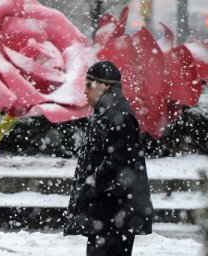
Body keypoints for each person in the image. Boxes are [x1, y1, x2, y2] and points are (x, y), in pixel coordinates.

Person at [64, 61, 153, 256]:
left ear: (104, 86)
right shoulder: (107, 112)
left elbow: (116, 162)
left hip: (114, 213)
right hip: (108, 213)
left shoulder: (118, 115)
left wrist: (88, 188)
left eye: (89, 85)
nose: (85, 91)